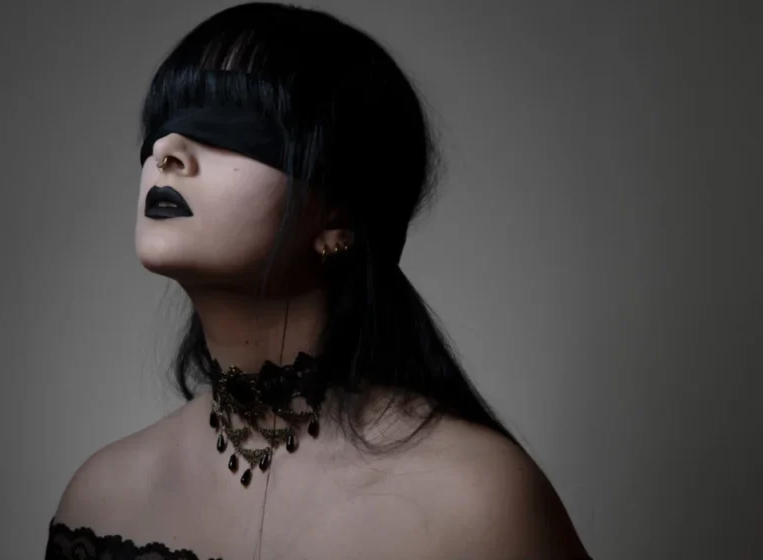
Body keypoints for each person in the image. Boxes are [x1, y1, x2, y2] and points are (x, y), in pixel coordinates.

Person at [46, 3, 591, 559]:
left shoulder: (480, 503)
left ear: (339, 216)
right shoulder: (98, 500)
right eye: (163, 122)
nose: (166, 151)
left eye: (232, 124)